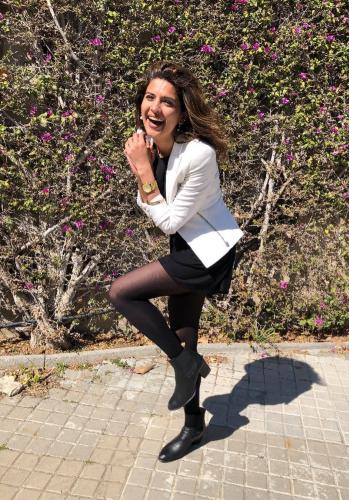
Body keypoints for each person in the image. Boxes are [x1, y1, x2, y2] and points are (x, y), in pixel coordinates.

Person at [108, 61, 244, 462]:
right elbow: (151, 205)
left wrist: (142, 169)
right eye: (149, 97)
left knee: (121, 293)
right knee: (185, 335)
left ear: (181, 113)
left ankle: (185, 364)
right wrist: (146, 170)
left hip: (207, 254)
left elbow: (167, 219)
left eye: (167, 102)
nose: (155, 107)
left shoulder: (198, 155)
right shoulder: (155, 148)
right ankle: (193, 424)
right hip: (185, 249)